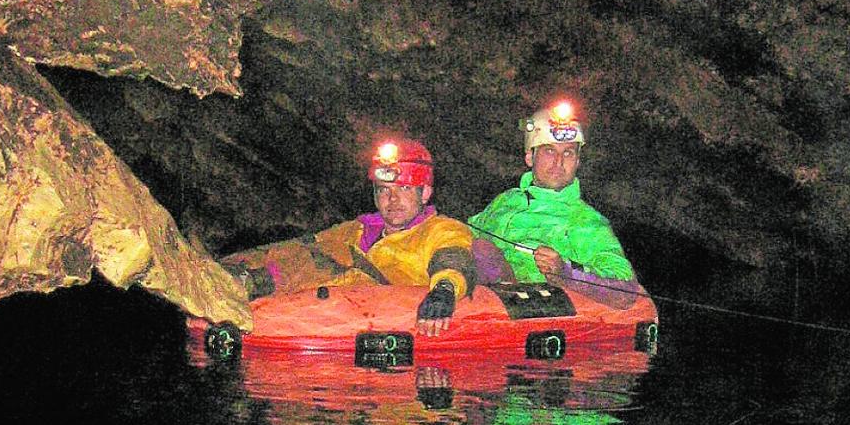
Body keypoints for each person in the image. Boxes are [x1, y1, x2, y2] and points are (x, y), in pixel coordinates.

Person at [224, 137, 474, 336]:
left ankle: (245, 284)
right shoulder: (356, 230)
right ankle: (228, 275)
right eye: (384, 190)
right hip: (327, 316)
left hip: (384, 312)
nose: (392, 199)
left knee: (335, 261)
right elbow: (299, 250)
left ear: (425, 192)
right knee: (310, 248)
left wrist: (444, 290)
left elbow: (453, 259)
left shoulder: (442, 229)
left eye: (405, 189)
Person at [467, 101, 640, 309]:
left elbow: (625, 288)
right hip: (481, 308)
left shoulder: (584, 220)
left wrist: (566, 273)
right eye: (549, 151)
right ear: (530, 157)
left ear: (577, 162)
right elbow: (465, 236)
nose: (559, 162)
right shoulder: (506, 202)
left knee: (483, 251)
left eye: (568, 153)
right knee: (477, 249)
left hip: (535, 314)